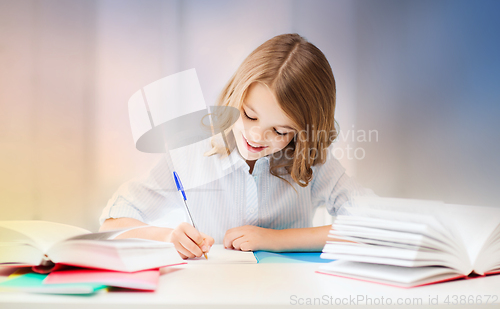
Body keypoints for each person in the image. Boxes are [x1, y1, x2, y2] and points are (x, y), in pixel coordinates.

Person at [99, 33, 374, 259]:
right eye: (249, 115)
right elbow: (113, 222)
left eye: (279, 131)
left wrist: (274, 239)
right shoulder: (190, 149)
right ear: (235, 94)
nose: (256, 136)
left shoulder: (310, 159)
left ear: (302, 133)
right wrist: (167, 236)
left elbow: (371, 227)